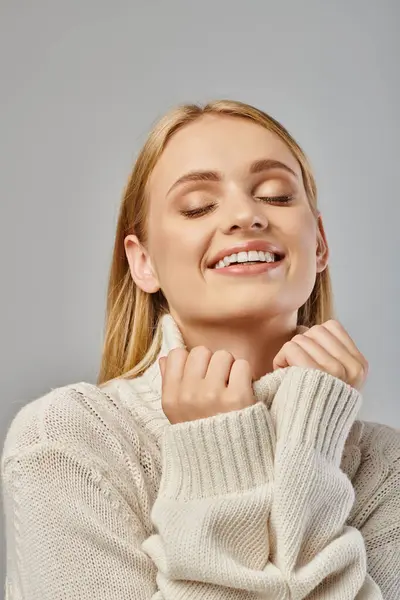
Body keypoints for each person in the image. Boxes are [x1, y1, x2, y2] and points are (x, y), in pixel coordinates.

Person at [1, 99, 399, 600]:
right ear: (143, 262)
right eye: (198, 205)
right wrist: (217, 452)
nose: (245, 215)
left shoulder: (387, 468)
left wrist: (313, 439)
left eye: (276, 195)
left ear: (318, 243)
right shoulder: (66, 443)